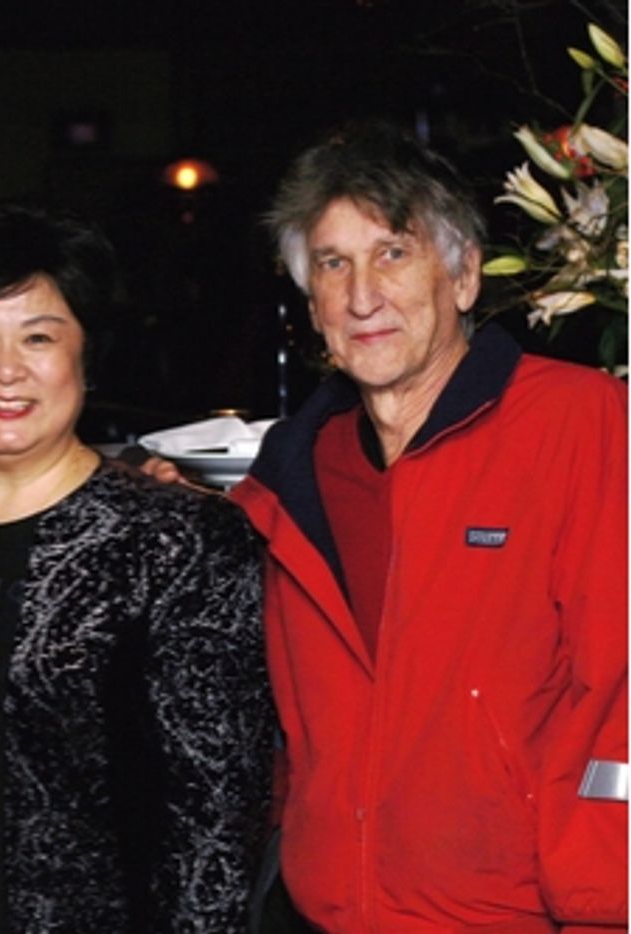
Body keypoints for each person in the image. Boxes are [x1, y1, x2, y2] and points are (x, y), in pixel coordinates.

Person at [230, 123, 628, 930]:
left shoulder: (577, 421)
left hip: (521, 915)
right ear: (312, 306)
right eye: (333, 264)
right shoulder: (293, 473)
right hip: (329, 913)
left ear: (465, 276)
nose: (362, 296)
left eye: (393, 253)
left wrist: (600, 905)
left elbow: (620, 683)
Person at [0, 200, 273, 931]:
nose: (5, 370)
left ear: (86, 355)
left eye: (39, 337)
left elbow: (217, 829)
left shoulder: (179, 542)